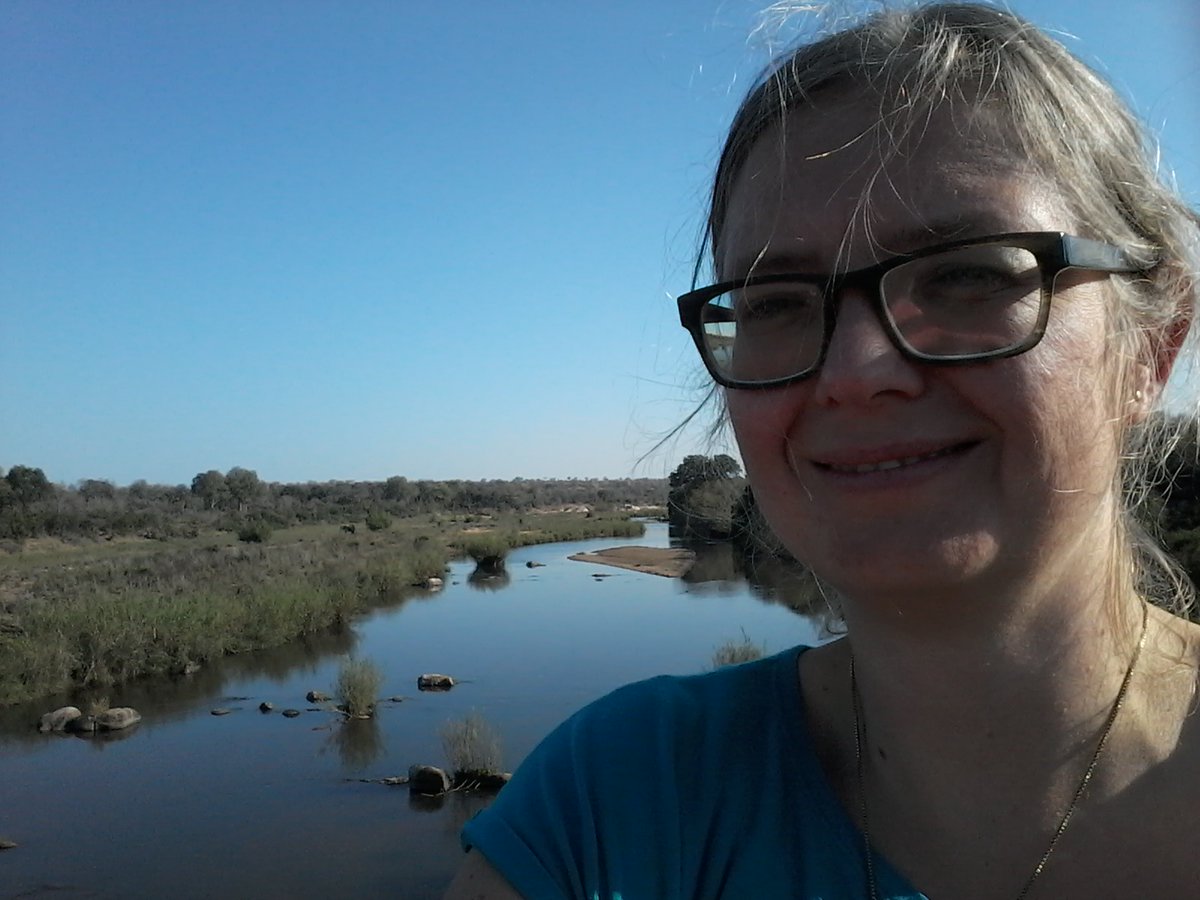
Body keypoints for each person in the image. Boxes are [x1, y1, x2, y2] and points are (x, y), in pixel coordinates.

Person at [446, 3, 1200, 897]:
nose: (854, 371)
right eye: (774, 301)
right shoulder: (620, 803)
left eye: (967, 272)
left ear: (1149, 350)